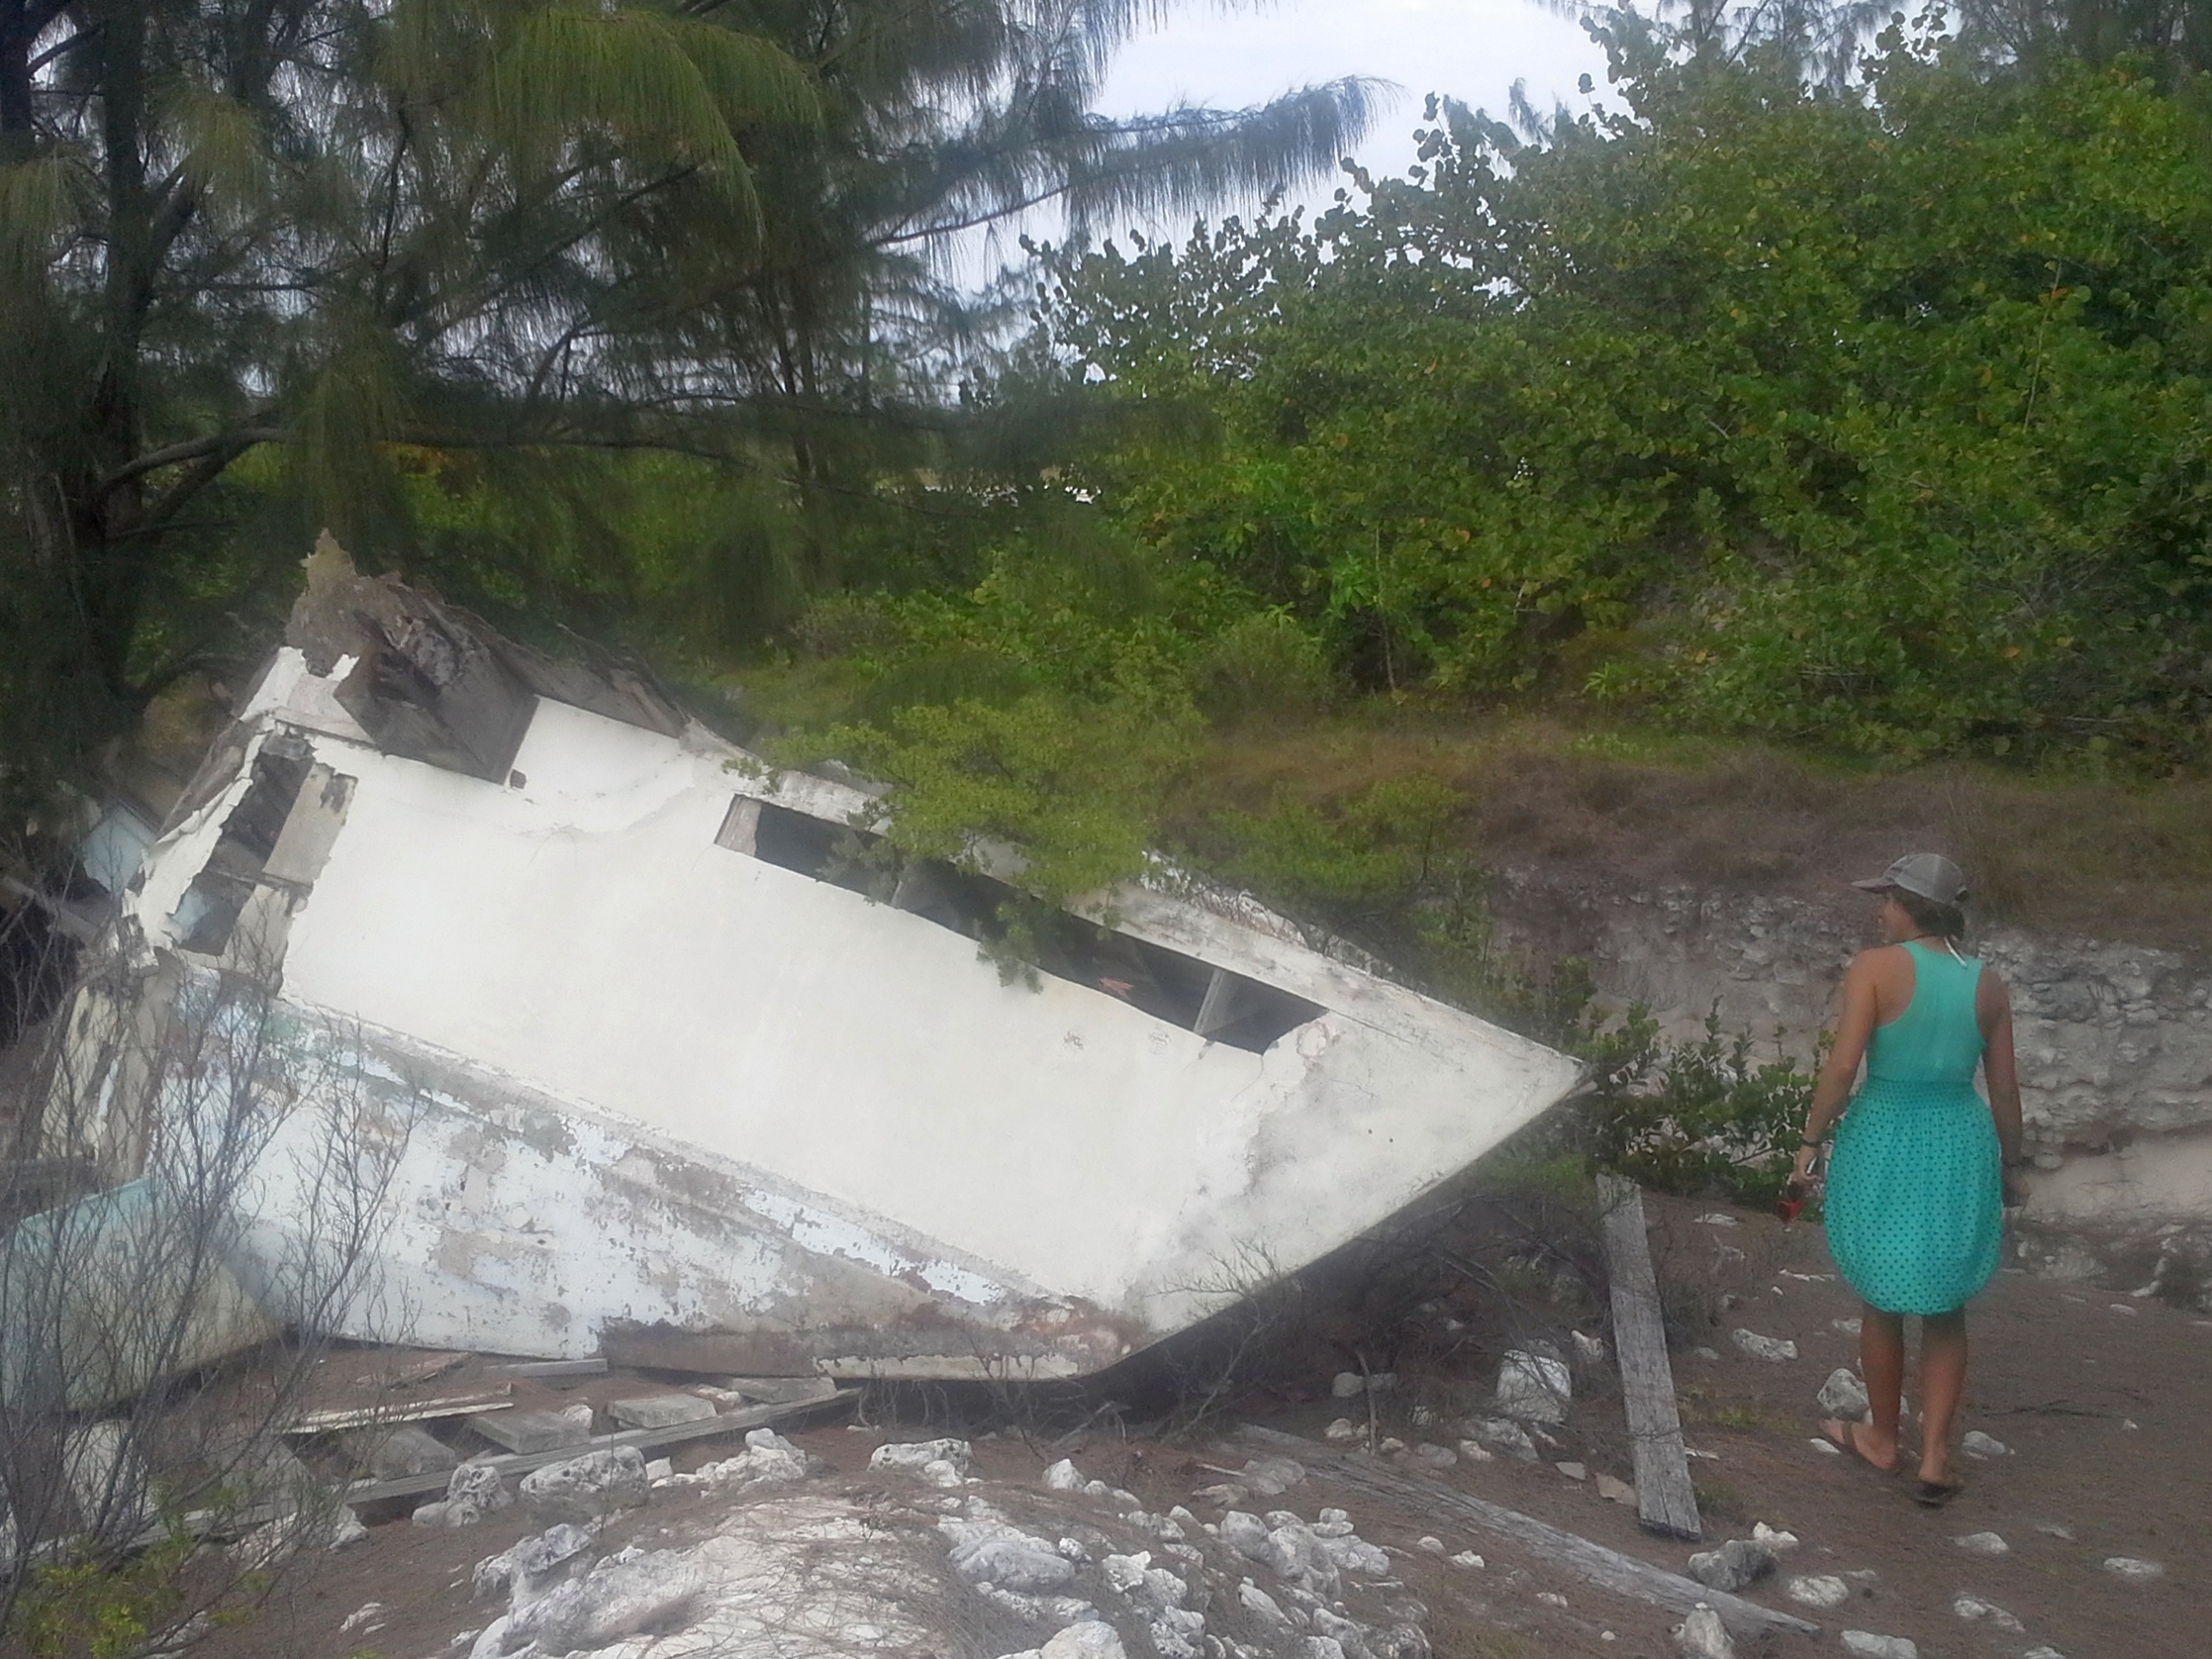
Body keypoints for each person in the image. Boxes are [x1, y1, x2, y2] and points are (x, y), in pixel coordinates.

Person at [1788, 852, 2027, 1507]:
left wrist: (1809, 1141)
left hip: (1885, 1132)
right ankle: (1936, 1455)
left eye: (1886, 899)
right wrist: (2012, 1165)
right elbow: (2005, 1091)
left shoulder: (1873, 967)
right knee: (1946, 1305)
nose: (1880, 911)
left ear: (1909, 905)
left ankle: (1883, 1439)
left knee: (1881, 1295)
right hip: (1958, 1139)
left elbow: (1843, 1068)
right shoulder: (1987, 983)